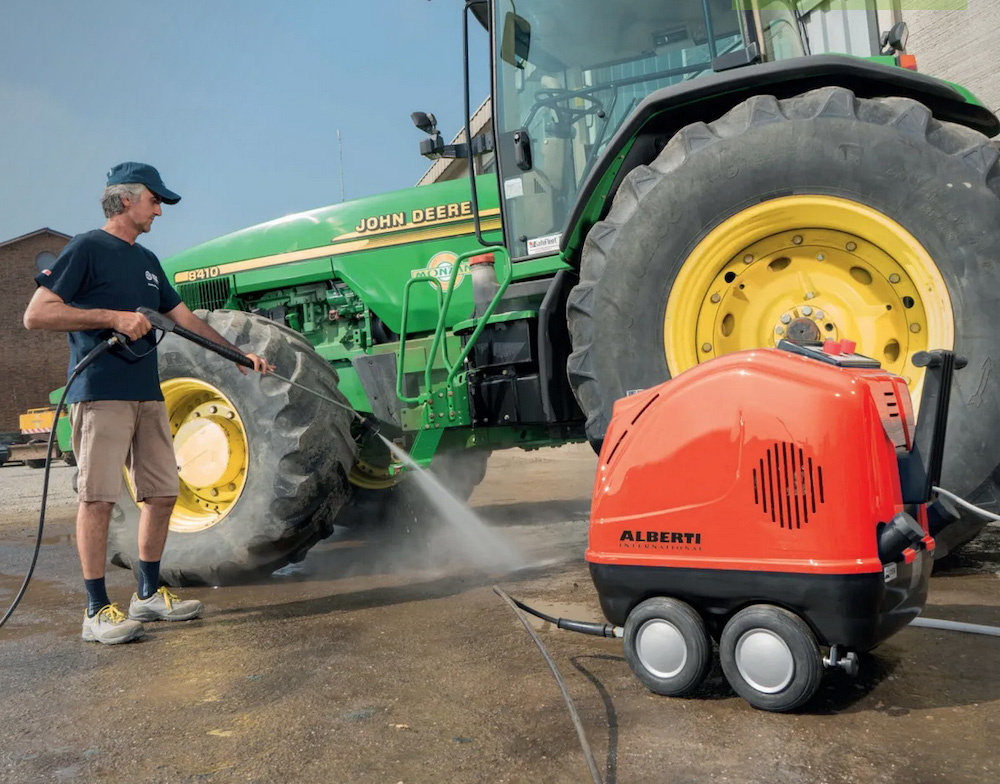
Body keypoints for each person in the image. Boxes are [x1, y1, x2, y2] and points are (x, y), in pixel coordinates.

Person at [23, 162, 274, 645]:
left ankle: (147, 593)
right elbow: (38, 314)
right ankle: (96, 610)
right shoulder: (87, 249)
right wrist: (113, 317)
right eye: (154, 200)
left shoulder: (148, 261)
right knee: (97, 499)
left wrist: (236, 354)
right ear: (124, 200)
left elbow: (183, 318)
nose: (159, 210)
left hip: (147, 393)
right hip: (100, 392)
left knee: (161, 494)